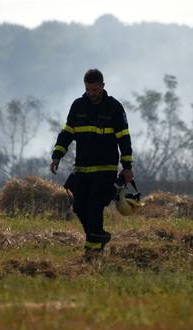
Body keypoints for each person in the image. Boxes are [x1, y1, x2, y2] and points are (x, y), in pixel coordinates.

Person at [50, 69, 134, 257]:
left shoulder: (114, 108)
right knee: (80, 207)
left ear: (103, 86)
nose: (91, 94)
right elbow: (67, 133)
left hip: (106, 170)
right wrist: (57, 155)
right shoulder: (78, 106)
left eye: (95, 90)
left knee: (95, 206)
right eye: (88, 90)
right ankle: (99, 237)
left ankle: (92, 252)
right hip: (82, 169)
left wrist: (127, 167)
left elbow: (124, 139)